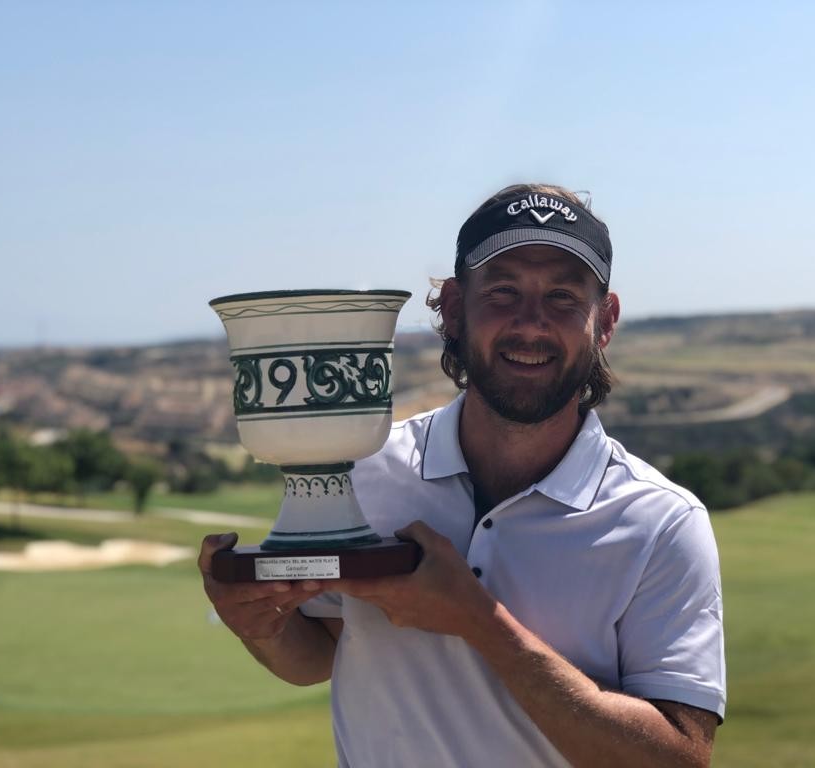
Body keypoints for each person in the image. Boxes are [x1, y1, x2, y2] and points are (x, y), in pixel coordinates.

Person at [199, 183, 726, 767]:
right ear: (453, 307)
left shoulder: (662, 523)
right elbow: (320, 650)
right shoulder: (366, 471)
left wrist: (479, 621)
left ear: (604, 321)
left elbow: (680, 758)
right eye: (503, 291)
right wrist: (262, 629)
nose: (532, 324)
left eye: (562, 297)